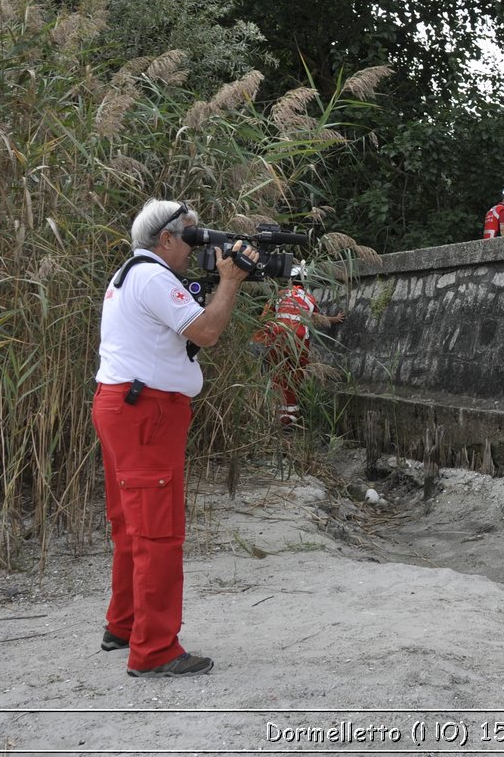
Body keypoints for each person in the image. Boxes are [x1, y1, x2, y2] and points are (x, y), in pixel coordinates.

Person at [94, 199, 257, 677]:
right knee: (157, 531)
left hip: (123, 405)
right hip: (146, 412)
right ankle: (155, 649)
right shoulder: (153, 276)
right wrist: (230, 281)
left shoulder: (132, 273)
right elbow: (206, 331)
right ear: (165, 239)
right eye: (191, 235)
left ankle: (123, 625)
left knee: (130, 523)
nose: (198, 243)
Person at [252, 262, 346, 429]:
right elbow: (318, 319)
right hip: (299, 344)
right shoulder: (309, 299)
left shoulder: (280, 295)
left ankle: (278, 415)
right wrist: (336, 319)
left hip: (277, 340)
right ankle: (291, 417)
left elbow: (264, 318)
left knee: (278, 377)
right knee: (294, 378)